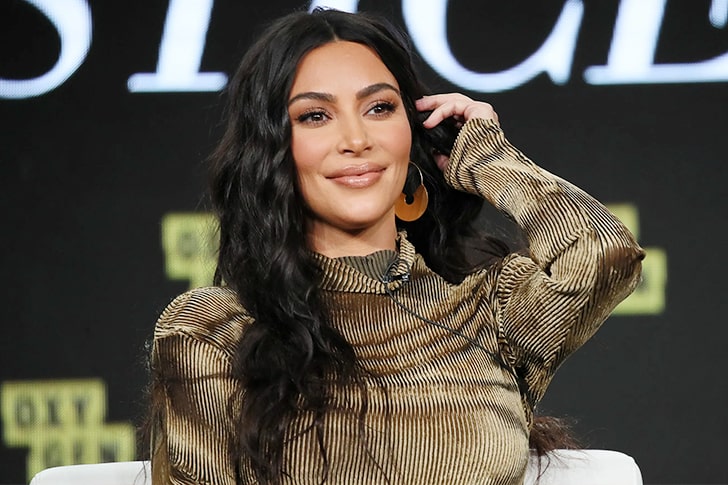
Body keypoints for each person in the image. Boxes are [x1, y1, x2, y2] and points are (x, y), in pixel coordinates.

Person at [147, 7, 644, 485]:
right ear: (271, 149)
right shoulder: (214, 331)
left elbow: (604, 254)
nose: (356, 138)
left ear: (413, 130)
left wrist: (488, 160)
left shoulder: (487, 311)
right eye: (315, 116)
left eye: (380, 108)